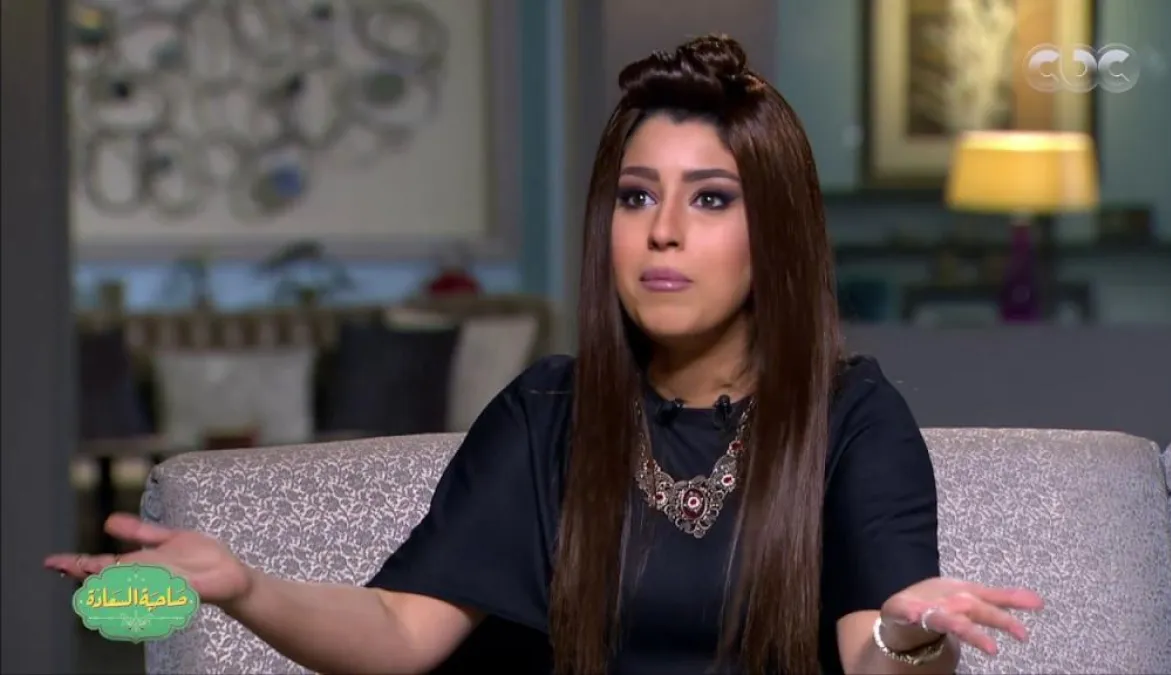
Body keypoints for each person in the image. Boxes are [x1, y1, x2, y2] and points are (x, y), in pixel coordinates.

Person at [47, 35, 1043, 675]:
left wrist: (912, 634)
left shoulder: (852, 416)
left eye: (710, 199)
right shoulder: (547, 415)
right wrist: (246, 587)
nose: (661, 231)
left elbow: (872, 653)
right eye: (636, 196)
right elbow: (400, 631)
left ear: (776, 234)